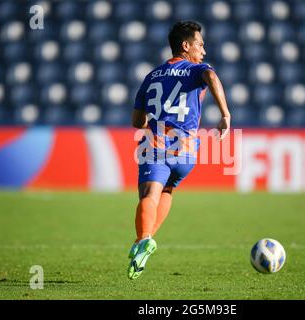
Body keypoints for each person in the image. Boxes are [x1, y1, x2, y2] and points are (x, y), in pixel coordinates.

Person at [128, 21, 231, 280]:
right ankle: (144, 242)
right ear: (185, 46)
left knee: (148, 194)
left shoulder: (152, 76)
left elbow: (137, 121)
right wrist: (225, 114)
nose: (204, 51)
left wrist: (150, 118)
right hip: (187, 151)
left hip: (158, 143)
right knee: (168, 189)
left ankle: (144, 240)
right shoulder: (198, 70)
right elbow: (211, 76)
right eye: (200, 45)